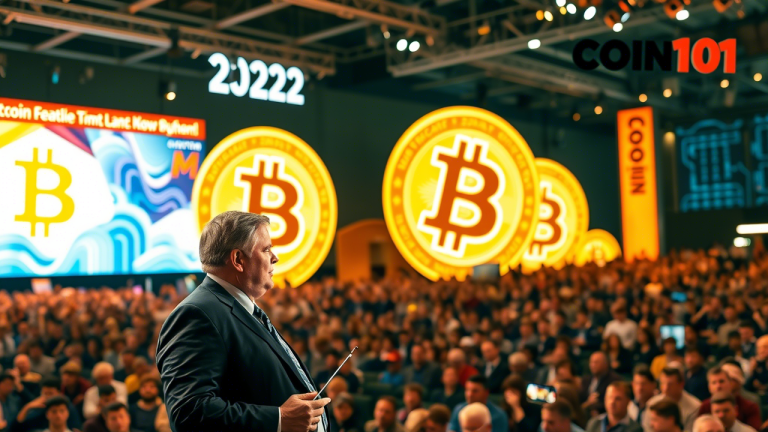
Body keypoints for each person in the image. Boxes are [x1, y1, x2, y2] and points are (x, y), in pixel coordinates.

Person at [156, 212, 332, 432]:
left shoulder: (237, 307)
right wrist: (278, 419)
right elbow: (188, 412)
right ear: (238, 259)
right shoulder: (197, 314)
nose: (275, 257)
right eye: (266, 249)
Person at [698, 366, 761, 430]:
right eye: (714, 382)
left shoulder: (749, 407)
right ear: (709, 387)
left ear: (730, 383)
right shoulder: (704, 407)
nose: (718, 386)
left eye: (721, 381)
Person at [642, 367, 700, 432]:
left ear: (681, 384)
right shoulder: (652, 403)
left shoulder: (695, 406)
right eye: (663, 383)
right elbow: (647, 428)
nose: (665, 388)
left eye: (670, 384)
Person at [15, 376, 82, 432]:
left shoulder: (67, 407)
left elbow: (76, 428)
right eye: (45, 393)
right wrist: (28, 406)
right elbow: (19, 426)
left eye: (50, 393)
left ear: (59, 393)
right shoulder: (38, 405)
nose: (47, 397)